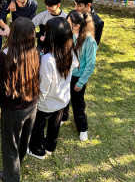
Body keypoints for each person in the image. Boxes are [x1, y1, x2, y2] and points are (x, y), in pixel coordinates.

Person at [0, 17, 40, 182]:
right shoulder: (35, 52)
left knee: (10, 144)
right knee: (24, 138)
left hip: (13, 109)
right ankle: (18, 163)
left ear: (13, 34)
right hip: (32, 105)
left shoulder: (3, 57)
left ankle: (11, 178)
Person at [27, 17, 78, 160]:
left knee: (38, 126)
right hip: (62, 99)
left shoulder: (48, 59)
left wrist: (38, 99)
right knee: (55, 125)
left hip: (46, 102)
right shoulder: (71, 51)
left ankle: (37, 151)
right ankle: (50, 147)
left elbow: (44, 84)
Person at [62, 11, 97, 141]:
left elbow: (90, 65)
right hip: (66, 73)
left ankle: (83, 128)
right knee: (64, 97)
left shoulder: (89, 41)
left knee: (78, 103)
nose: (65, 24)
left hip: (78, 77)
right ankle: (64, 117)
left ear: (77, 25)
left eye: (68, 23)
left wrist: (81, 82)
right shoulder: (67, 35)